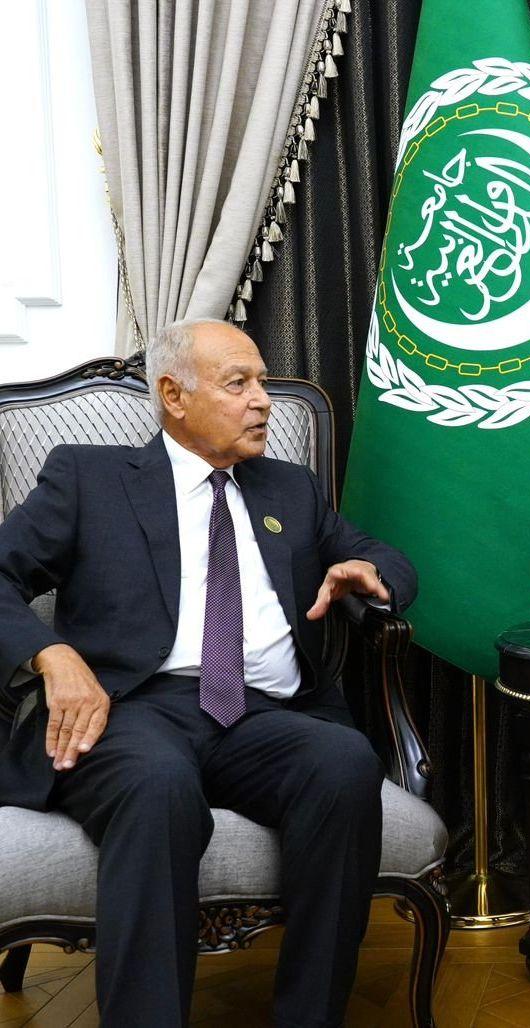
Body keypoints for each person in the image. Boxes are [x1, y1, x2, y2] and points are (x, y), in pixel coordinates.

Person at [0, 319, 418, 1027]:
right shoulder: (88, 479)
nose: (262, 400)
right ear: (174, 395)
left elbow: (388, 558)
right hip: (134, 711)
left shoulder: (290, 488)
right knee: (158, 784)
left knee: (345, 761)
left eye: (262, 382)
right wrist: (53, 655)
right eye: (238, 384)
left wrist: (369, 571)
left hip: (267, 715)